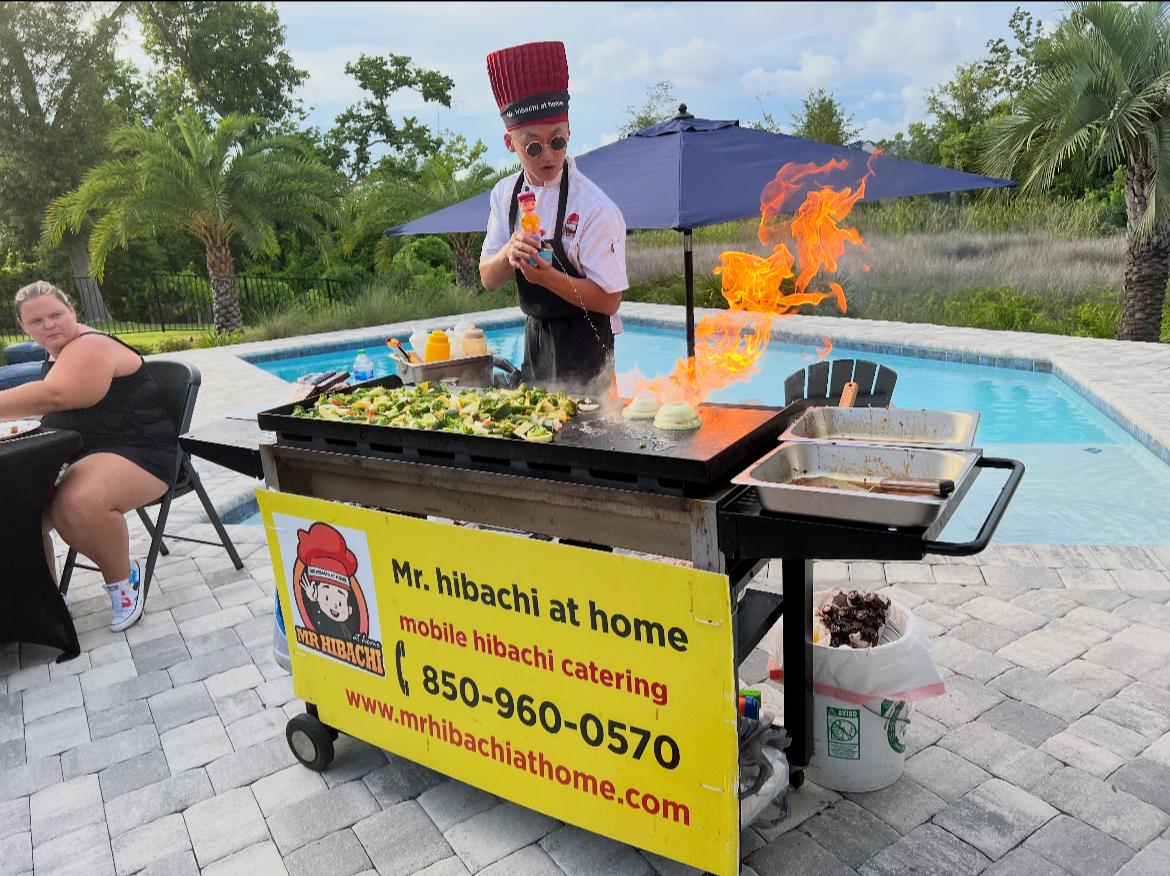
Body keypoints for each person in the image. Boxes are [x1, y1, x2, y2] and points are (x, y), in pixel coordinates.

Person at [0, 282, 178, 631]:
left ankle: (124, 581)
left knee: (75, 504)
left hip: (141, 451)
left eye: (56, 314)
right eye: (37, 321)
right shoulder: (56, 355)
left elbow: (55, 396)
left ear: (73, 313)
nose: (49, 324)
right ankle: (47, 601)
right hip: (89, 454)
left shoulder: (91, 345)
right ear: (24, 329)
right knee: (18, 512)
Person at [479, 41, 628, 395]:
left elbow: (610, 300)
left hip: (587, 349)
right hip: (537, 345)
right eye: (533, 146)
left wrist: (548, 278)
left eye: (557, 141)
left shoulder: (594, 207)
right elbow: (488, 277)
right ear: (509, 143)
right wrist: (509, 254)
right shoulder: (505, 194)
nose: (548, 155)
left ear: (569, 130)